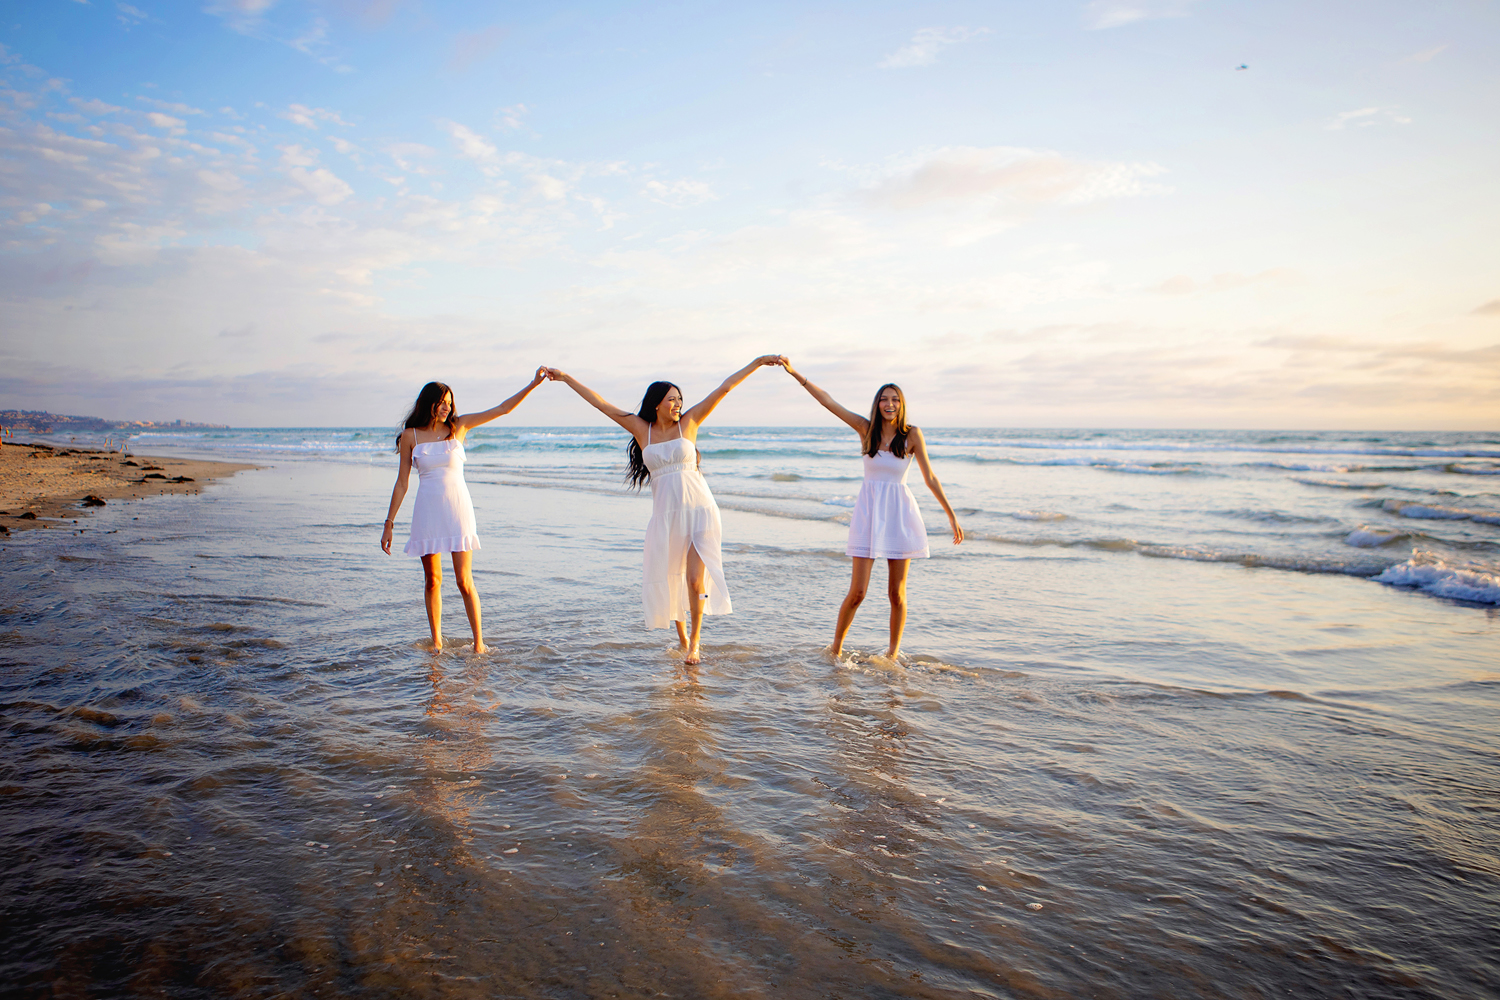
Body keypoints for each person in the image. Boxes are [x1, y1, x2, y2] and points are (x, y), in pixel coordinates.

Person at [543, 356, 785, 664]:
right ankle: (682, 638)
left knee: (695, 580)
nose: (678, 404)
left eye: (680, 399)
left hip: (701, 511)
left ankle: (694, 643)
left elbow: (724, 388)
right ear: (656, 404)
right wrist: (565, 377)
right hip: (666, 516)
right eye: (672, 399)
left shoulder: (690, 424)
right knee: (674, 577)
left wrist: (757, 362)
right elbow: (601, 404)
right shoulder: (640, 429)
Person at [780, 363, 963, 659]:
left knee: (896, 593)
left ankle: (892, 655)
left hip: (900, 516)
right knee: (858, 592)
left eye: (895, 399)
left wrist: (951, 515)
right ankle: (835, 650)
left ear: (901, 405)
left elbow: (930, 477)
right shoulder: (866, 430)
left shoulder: (912, 434)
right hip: (868, 515)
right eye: (884, 399)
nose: (889, 404)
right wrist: (796, 374)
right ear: (877, 404)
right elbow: (829, 402)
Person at [381, 370, 547, 652]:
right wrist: (389, 523)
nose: (447, 407)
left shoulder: (459, 427)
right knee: (432, 580)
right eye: (442, 402)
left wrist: (532, 384)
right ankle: (436, 643)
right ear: (428, 403)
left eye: (449, 401)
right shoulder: (411, 436)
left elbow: (502, 409)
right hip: (427, 510)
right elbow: (402, 482)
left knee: (464, 581)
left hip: (458, 508)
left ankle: (479, 644)